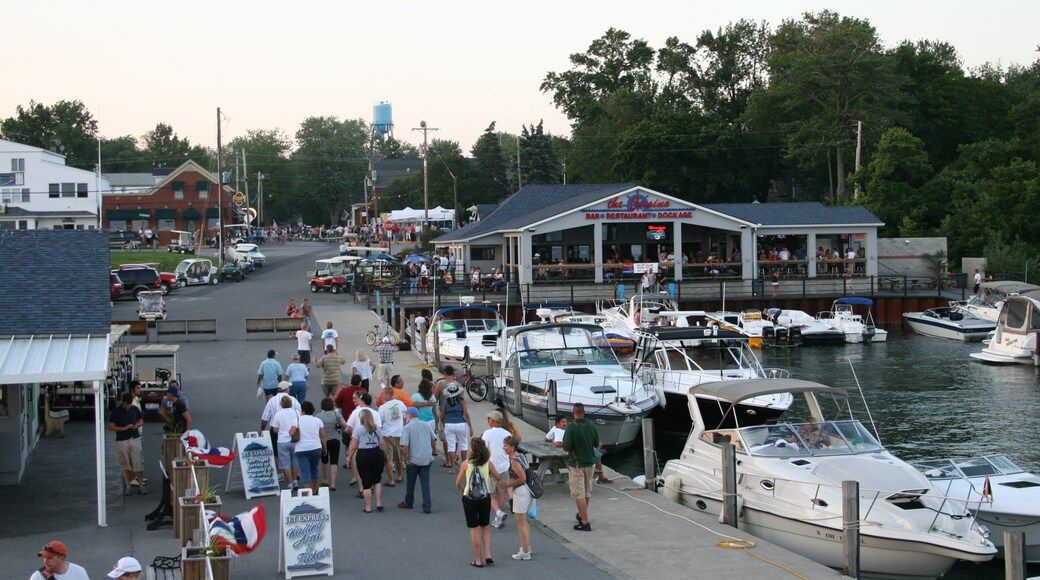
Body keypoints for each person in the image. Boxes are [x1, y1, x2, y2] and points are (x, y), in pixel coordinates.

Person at [456, 437, 500, 568]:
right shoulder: (488, 463)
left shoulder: (466, 464)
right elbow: (498, 477)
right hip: (484, 498)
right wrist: (490, 475)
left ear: (473, 449)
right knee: (485, 527)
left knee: (474, 529)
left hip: (469, 499)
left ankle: (478, 560)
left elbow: (457, 482)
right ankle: (488, 554)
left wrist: (463, 489)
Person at [564, 402, 599, 531]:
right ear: (584, 412)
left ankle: (585, 522)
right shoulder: (591, 426)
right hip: (590, 463)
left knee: (579, 493)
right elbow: (596, 443)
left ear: (573, 413)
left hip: (577, 464)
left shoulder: (571, 427)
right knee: (587, 491)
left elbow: (566, 446)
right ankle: (581, 514)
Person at [347, 405, 388, 513]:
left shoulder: (358, 429)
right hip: (376, 453)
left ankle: (368, 507)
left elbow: (354, 445)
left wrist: (349, 458)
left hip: (363, 454)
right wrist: (386, 453)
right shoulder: (376, 427)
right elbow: (382, 443)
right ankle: (379, 503)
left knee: (366, 482)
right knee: (377, 480)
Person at [399, 407, 437, 513]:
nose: (405, 417)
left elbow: (405, 446)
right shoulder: (425, 424)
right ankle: (427, 505)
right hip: (426, 458)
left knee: (411, 483)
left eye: (406, 415)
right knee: (425, 483)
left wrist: (405, 459)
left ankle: (409, 502)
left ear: (410, 415)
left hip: (413, 459)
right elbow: (434, 438)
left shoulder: (407, 428)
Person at [501, 436, 533, 560]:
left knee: (520, 523)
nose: (504, 448)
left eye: (506, 446)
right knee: (524, 522)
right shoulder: (521, 456)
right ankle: (526, 547)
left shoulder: (514, 460)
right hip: (527, 491)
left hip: (520, 491)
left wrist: (508, 485)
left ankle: (525, 552)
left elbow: (522, 478)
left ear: (512, 447)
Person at [108, 392, 145, 496]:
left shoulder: (135, 409)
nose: (128, 406)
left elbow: (141, 420)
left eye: (129, 404)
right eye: (126, 404)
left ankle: (141, 485)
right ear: (123, 403)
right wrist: (123, 428)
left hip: (134, 437)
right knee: (125, 463)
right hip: (122, 440)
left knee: (138, 462)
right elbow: (110, 426)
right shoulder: (116, 412)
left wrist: (136, 425)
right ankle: (128, 486)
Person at [482, 409, 513, 529]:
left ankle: (499, 513)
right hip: (504, 467)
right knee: (500, 493)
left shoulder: (487, 433)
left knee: (489, 494)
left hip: (491, 467)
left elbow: (483, 450)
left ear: (492, 421)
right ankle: (497, 518)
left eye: (489, 419)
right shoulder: (507, 434)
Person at [292, 401, 327, 493]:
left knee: (305, 471)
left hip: (301, 449)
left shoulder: (297, 420)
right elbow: (323, 436)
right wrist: (325, 448)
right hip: (315, 448)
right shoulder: (318, 420)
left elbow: (291, 433)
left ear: (302, 410)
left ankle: (308, 492)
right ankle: (314, 489)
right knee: (314, 469)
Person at [439, 381, 472, 475]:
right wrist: (471, 427)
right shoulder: (462, 402)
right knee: (464, 445)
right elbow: (466, 415)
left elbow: (442, 416)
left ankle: (452, 468)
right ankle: (463, 467)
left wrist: (444, 422)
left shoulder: (446, 402)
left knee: (451, 446)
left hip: (449, 424)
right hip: (461, 424)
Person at [378, 383, 408, 485]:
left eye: (383, 394)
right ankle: (400, 476)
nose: (382, 396)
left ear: (388, 395)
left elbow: (379, 423)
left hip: (387, 435)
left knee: (388, 458)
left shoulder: (382, 408)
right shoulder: (400, 403)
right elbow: (405, 415)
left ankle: (391, 480)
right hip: (399, 434)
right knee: (399, 457)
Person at [270, 395, 300, 489]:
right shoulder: (296, 412)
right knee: (294, 462)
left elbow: (275, 429)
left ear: (281, 404)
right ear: (291, 403)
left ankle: (289, 484)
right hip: (294, 440)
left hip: (282, 441)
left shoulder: (278, 414)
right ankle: (295, 481)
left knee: (285, 463)